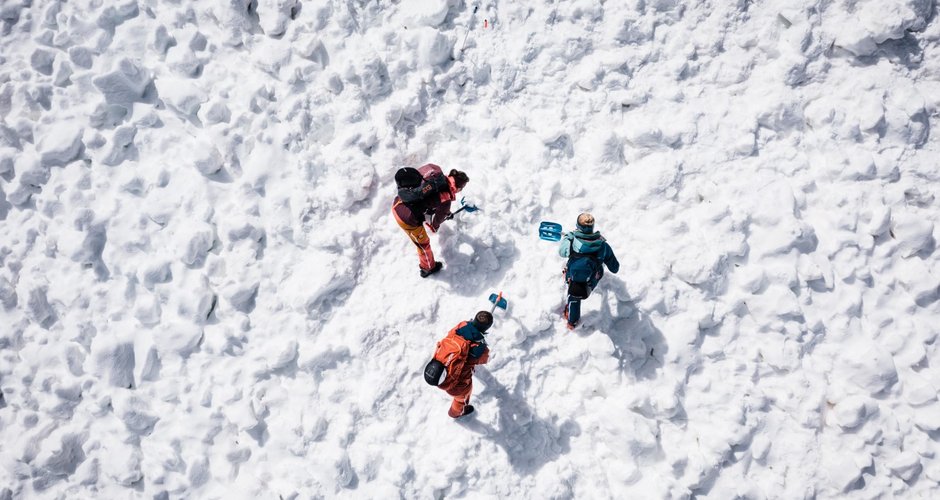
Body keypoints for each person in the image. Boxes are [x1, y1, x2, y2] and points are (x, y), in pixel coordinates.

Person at [392, 164, 469, 278]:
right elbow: (435, 223)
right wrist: (435, 225)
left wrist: (445, 212)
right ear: (457, 189)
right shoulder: (446, 199)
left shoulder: (434, 169)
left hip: (399, 200)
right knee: (423, 245)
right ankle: (427, 268)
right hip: (406, 218)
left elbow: (421, 184)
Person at [424, 311, 492, 418]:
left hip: (440, 367)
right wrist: (481, 344)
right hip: (458, 386)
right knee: (461, 400)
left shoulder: (461, 325)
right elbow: (485, 359)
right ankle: (455, 413)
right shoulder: (479, 348)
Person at [559, 213, 619, 329]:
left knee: (573, 295)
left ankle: (572, 321)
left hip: (573, 277)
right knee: (597, 270)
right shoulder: (603, 246)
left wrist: (568, 238)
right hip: (593, 279)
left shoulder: (572, 241)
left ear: (578, 226)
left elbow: (562, 252)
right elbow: (614, 268)